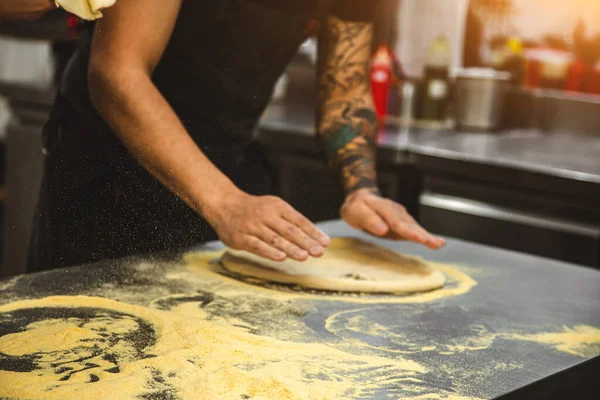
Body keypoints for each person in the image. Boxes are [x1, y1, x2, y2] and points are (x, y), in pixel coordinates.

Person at [28, 0, 445, 273]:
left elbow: (346, 89)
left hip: (227, 173)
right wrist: (224, 201)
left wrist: (361, 189)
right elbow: (117, 73)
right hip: (108, 178)